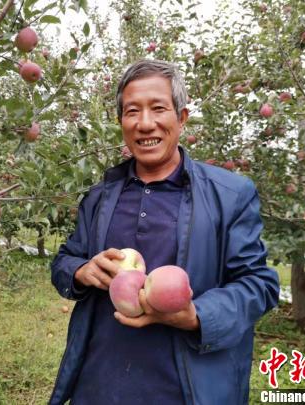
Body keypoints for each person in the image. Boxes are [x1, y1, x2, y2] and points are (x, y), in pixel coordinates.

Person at [49, 59, 280, 405]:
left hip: (183, 391)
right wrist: (82, 271)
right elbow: (65, 260)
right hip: (97, 387)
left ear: (181, 117)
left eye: (158, 109)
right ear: (121, 122)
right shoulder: (100, 197)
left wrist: (197, 316)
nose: (145, 124)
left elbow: (260, 285)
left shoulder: (231, 195)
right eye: (132, 112)